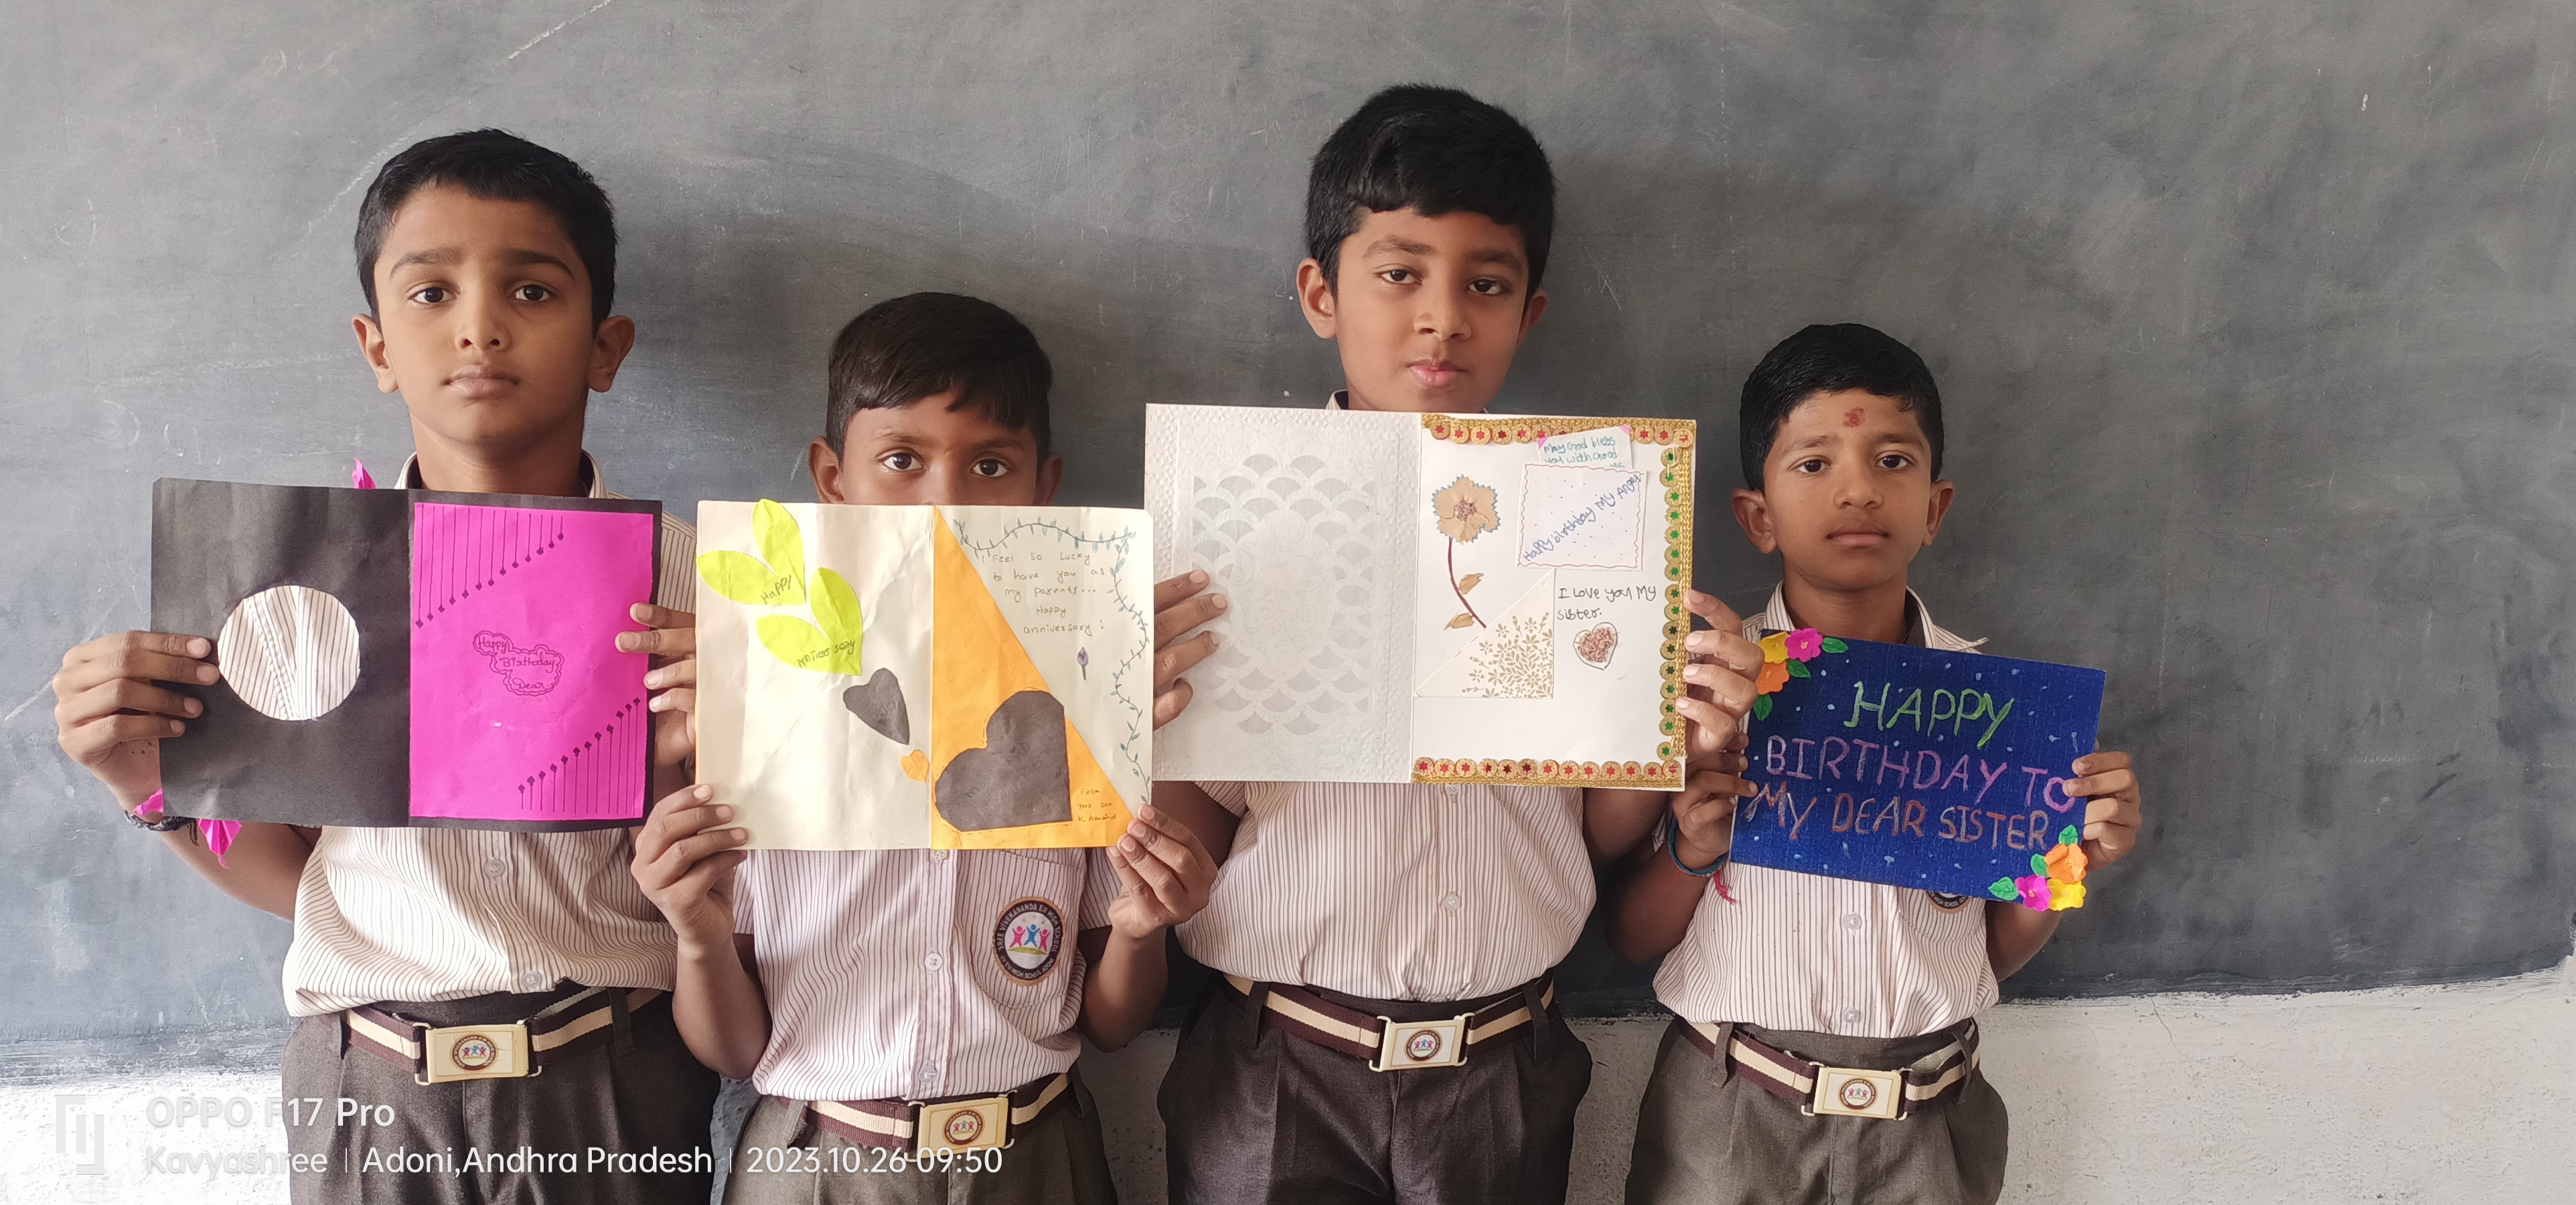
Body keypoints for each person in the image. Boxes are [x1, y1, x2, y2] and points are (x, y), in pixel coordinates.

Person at [49, 129, 721, 1203]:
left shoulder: (705, 593)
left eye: (533, 291)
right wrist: (145, 781)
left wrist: (727, 743)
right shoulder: (294, 587)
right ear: (376, 347)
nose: (479, 326)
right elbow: (299, 877)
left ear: (607, 346)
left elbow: (742, 890)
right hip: (370, 1084)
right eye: (430, 293)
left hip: (615, 1073)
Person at [1148, 84, 1762, 1205]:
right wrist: (1140, 719)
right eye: (1399, 273)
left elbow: (1590, 823)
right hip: (1279, 1061)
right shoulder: (1231, 523)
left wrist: (1672, 731)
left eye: (1486, 283)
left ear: (1530, 310)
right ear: (1321, 294)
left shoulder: (1595, 517)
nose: (1442, 318)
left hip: (1502, 1062)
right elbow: (1199, 835)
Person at [631, 292, 1226, 1203]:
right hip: (819, 1161)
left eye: (990, 464)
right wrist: (696, 935)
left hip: (1038, 1152)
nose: (946, 499)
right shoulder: (752, 710)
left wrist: (1144, 929)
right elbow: (736, 1050)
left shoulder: (1080, 702)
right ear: (832, 477)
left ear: (1043, 486)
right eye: (902, 460)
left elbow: (1111, 1025)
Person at [1608, 323, 2147, 1205]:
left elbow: (1989, 953)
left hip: (1930, 1117)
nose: (1858, 489)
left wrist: (2067, 862)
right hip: (1733, 1112)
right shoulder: (1704, 695)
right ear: (1757, 516)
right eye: (1814, 463)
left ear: (1934, 508)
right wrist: (1691, 850)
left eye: (1893, 461)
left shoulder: (2000, 720)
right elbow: (1630, 938)